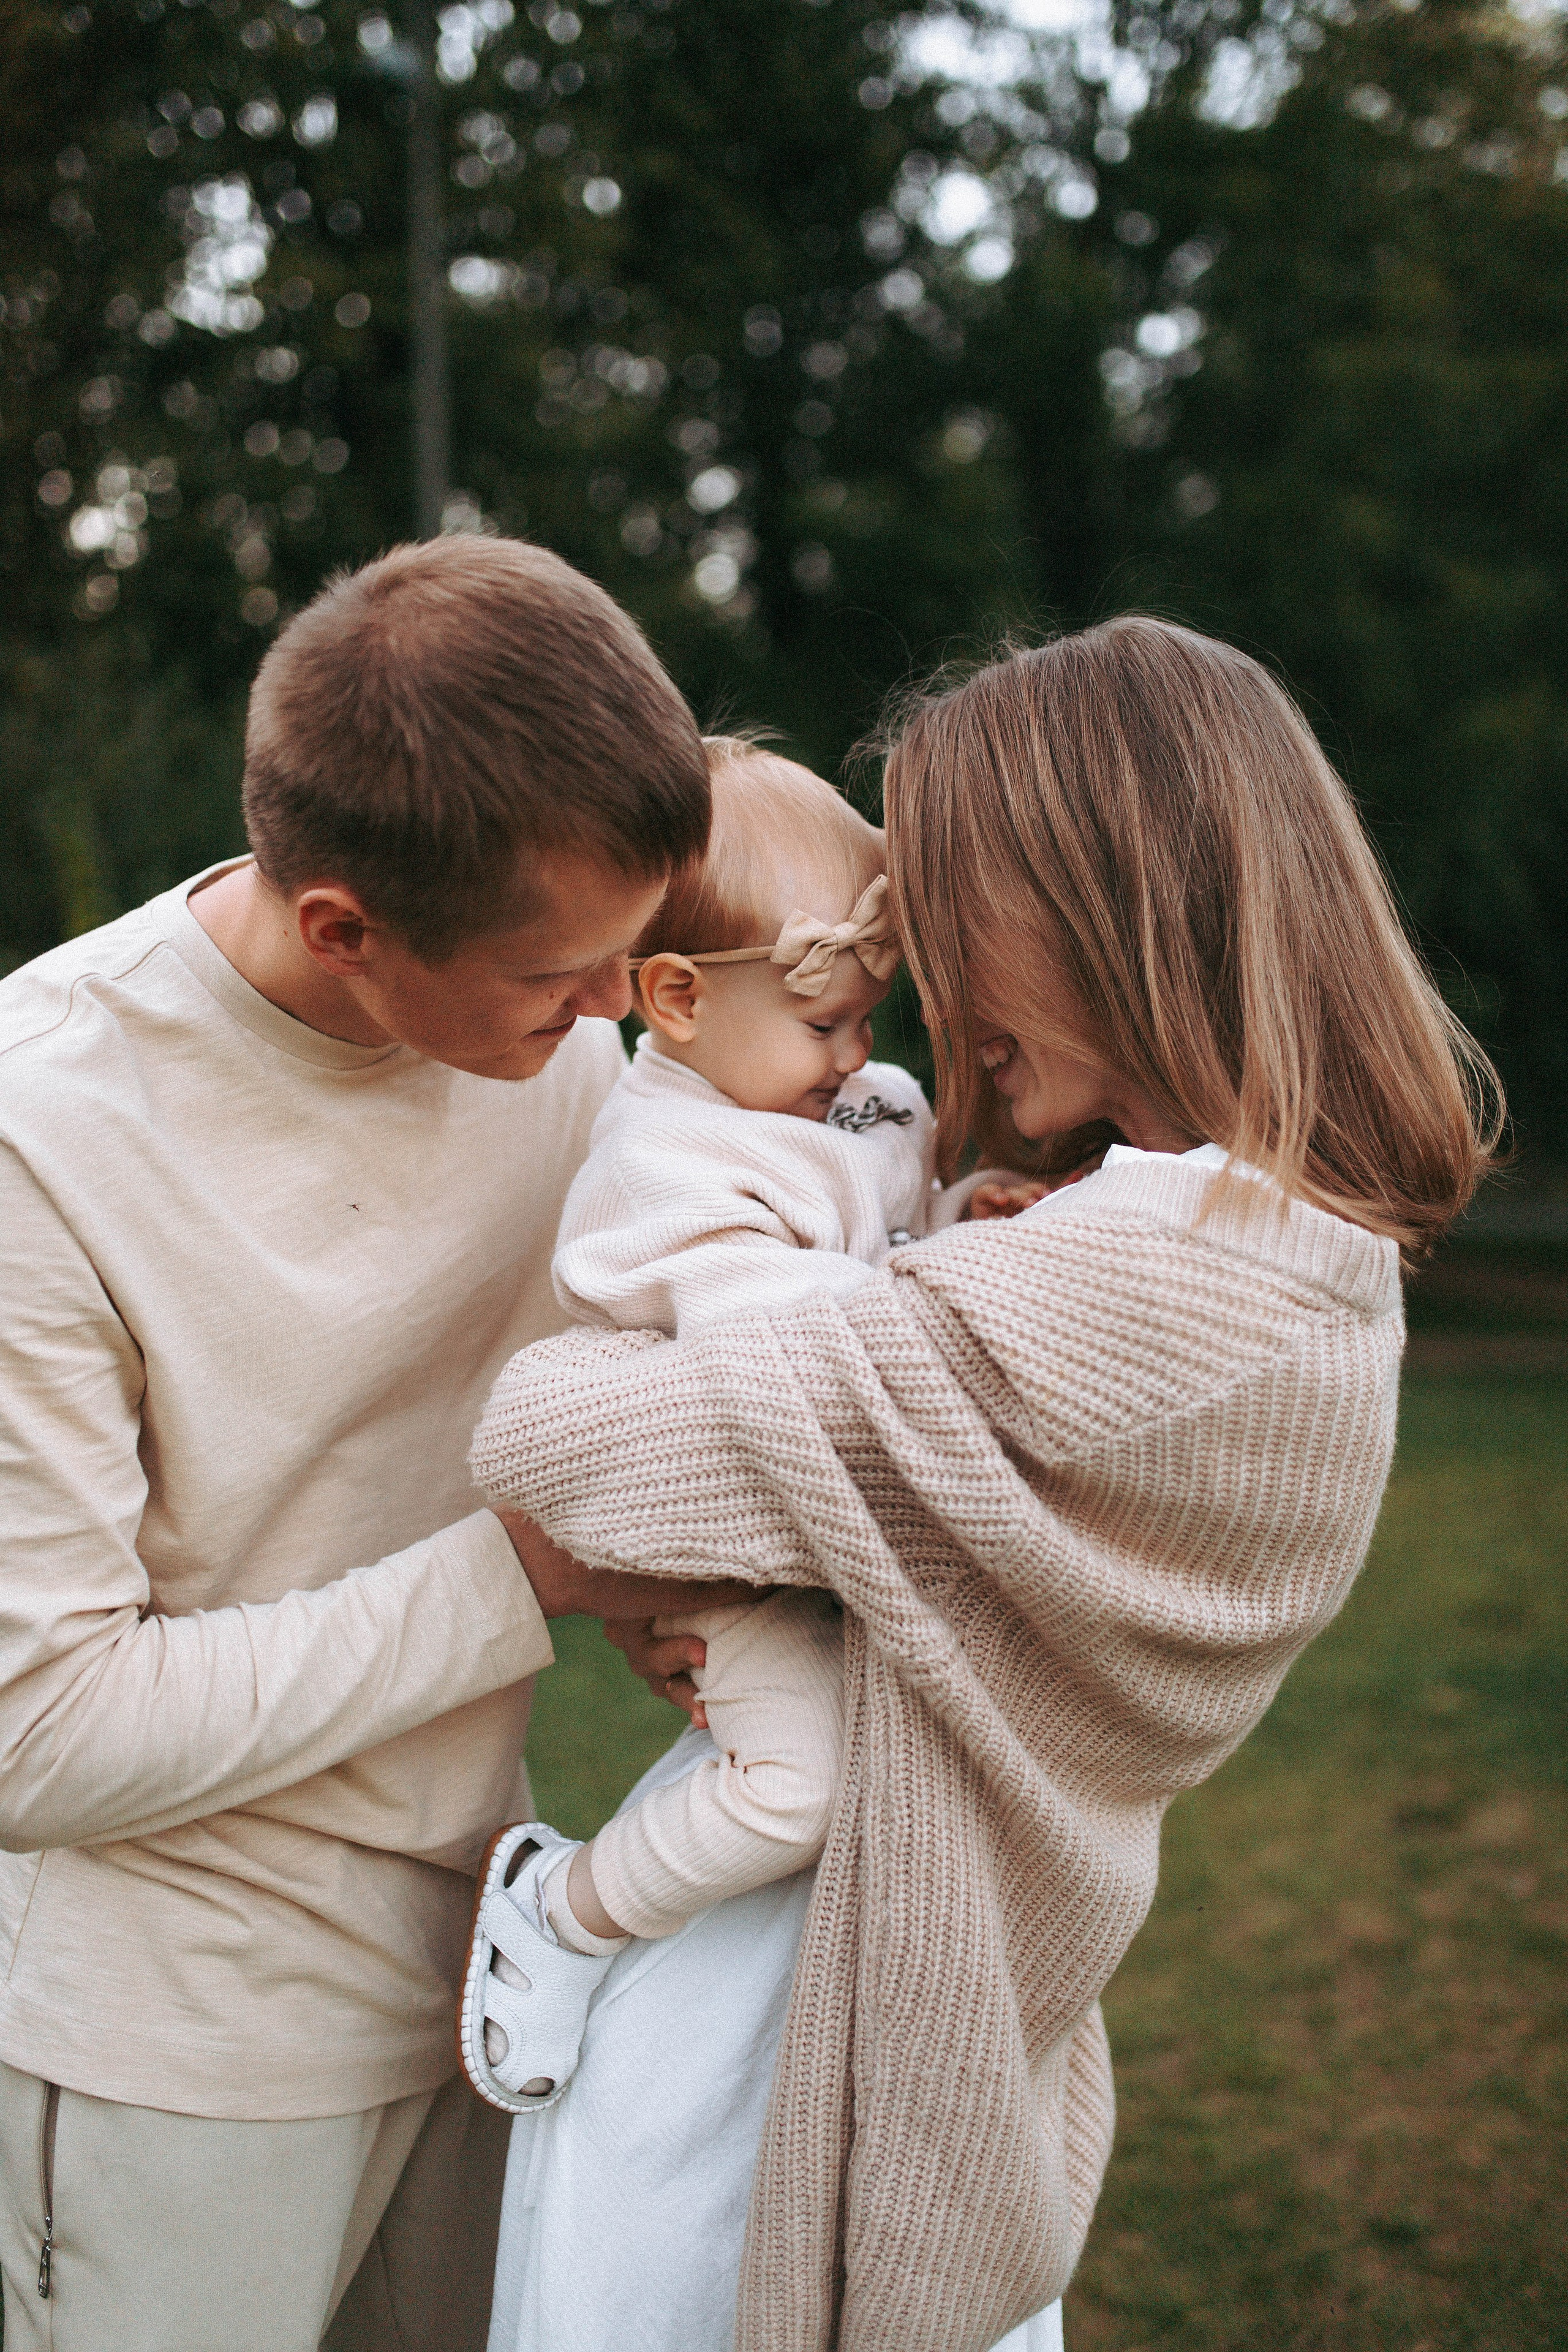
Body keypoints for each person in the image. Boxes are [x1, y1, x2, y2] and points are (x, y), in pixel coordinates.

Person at [472, 618, 1500, 2352]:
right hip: (897, 2009)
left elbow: (558, 1441)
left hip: (795, 2040)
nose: (928, 977)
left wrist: (674, 1410)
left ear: (1109, 899)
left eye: (956, 908)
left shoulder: (1165, 1271)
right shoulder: (1262, 1249)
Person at [0, 534, 739, 2352]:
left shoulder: (552, 1042)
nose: (605, 1022)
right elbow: (42, 1729)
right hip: (177, 2051)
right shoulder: (44, 1130)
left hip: (499, 1970)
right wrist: (530, 1576)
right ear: (342, 925)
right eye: (557, 977)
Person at [458, 739, 1039, 2116]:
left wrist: (967, 1214)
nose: (859, 1058)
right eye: (826, 1024)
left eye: (864, 1021)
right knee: (799, 1788)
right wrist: (943, 1282)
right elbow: (790, 1344)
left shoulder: (838, 1099)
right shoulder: (662, 1163)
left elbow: (883, 1236)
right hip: (730, 1539)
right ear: (673, 1000)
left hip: (823, 1525)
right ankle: (564, 1910)